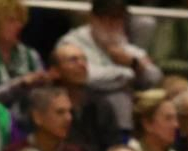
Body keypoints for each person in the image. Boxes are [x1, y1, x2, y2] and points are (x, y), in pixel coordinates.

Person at [60, 0, 159, 132]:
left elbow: (155, 77)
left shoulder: (121, 42)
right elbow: (88, 77)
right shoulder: (72, 41)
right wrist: (128, 72)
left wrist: (133, 63)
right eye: (105, 18)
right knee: (114, 97)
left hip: (121, 110)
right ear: (92, 18)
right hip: (83, 109)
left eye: (117, 19)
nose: (111, 24)